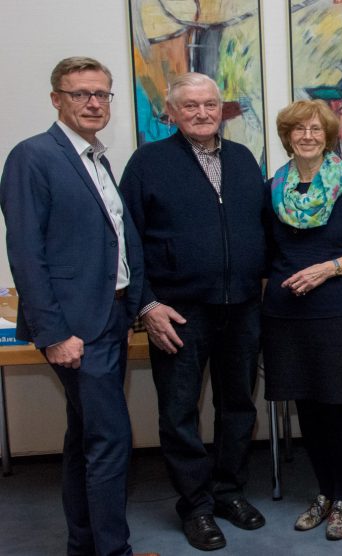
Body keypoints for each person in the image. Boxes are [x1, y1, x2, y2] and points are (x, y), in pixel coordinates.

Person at [0, 56, 151, 556]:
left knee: (85, 438)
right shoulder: (33, 156)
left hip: (109, 316)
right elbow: (25, 252)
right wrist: (53, 333)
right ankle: (114, 552)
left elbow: (112, 243)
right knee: (109, 442)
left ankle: (84, 547)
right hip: (74, 327)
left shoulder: (96, 158)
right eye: (81, 93)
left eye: (102, 94)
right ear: (56, 99)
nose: (93, 102)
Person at [120, 73, 268, 552]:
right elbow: (126, 243)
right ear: (172, 112)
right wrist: (146, 304)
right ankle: (196, 507)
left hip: (242, 307)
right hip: (178, 312)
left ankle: (228, 492)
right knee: (180, 412)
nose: (202, 114)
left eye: (210, 105)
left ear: (221, 109)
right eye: (191, 107)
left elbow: (261, 230)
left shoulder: (244, 159)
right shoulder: (148, 163)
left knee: (238, 407)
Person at [262, 100, 342, 540]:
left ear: (330, 135)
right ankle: (322, 493)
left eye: (316, 128)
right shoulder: (272, 187)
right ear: (288, 137)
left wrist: (327, 268)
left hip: (341, 311)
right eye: (299, 129)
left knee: (338, 407)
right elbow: (266, 253)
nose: (308, 135)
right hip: (288, 314)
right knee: (308, 408)